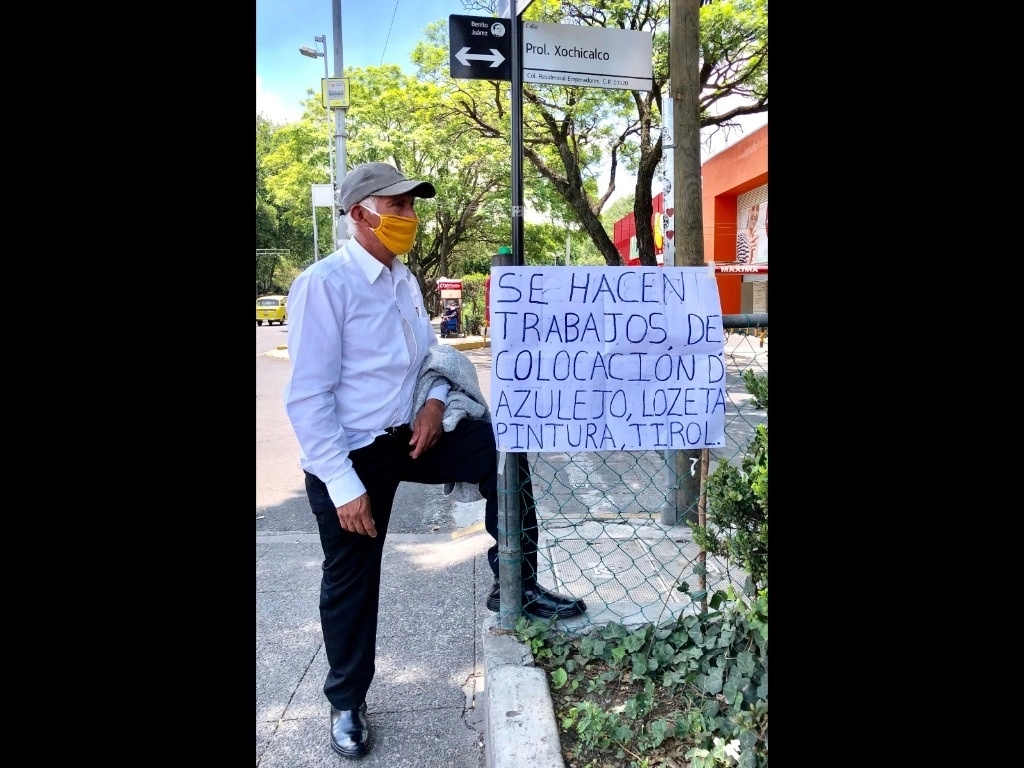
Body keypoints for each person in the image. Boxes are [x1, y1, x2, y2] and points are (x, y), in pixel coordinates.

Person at [282, 161, 586, 760]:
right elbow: (308, 398)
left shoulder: (402, 280)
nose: (409, 218)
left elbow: (431, 357)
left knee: (501, 449)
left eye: (411, 206)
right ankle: (347, 700)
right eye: (397, 207)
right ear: (360, 214)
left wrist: (436, 403)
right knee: (351, 576)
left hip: (414, 435)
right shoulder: (326, 285)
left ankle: (517, 585)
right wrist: (344, 486)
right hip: (351, 453)